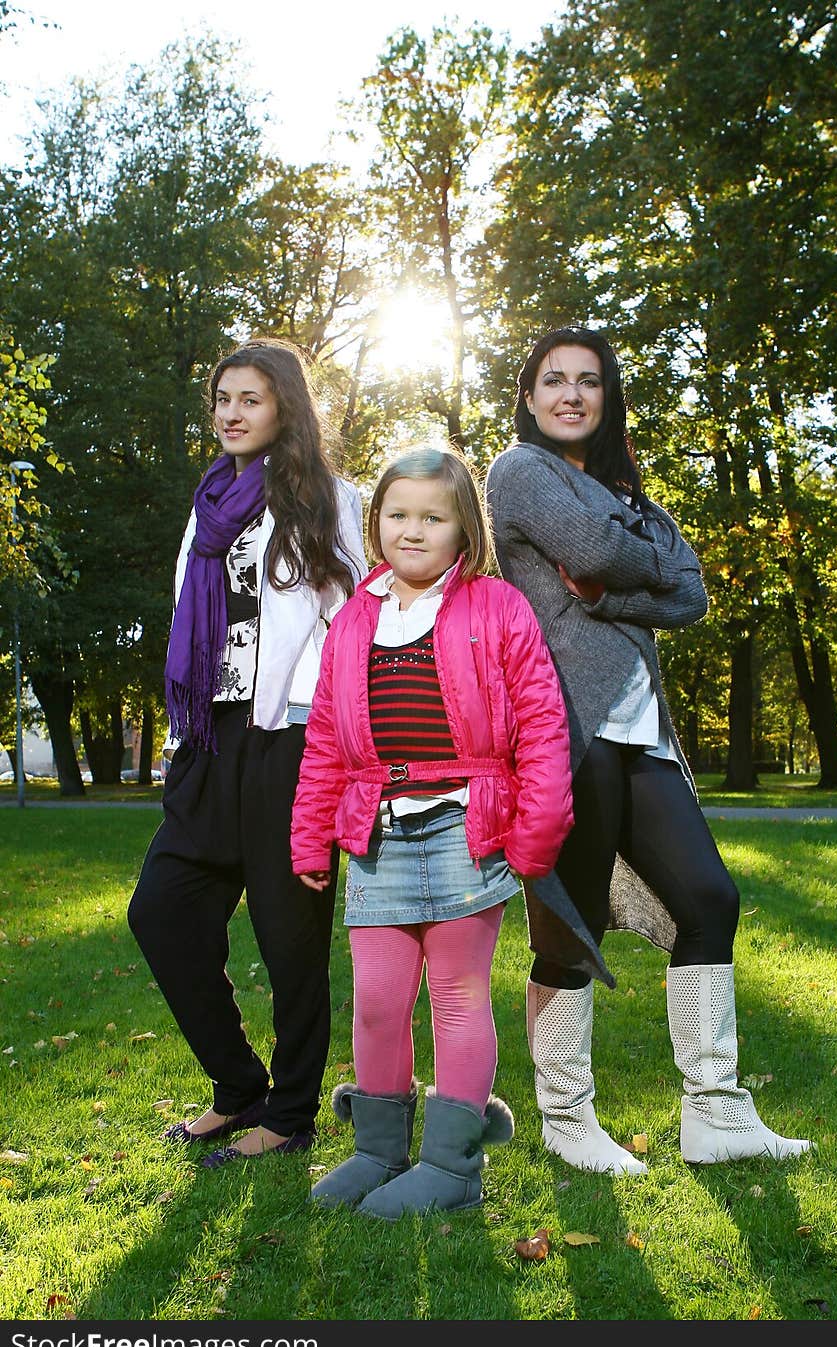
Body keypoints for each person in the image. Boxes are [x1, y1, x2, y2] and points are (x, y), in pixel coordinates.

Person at [486, 325, 811, 1174]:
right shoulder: (520, 472)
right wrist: (635, 567)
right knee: (572, 920)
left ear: (606, 396)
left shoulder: (629, 491)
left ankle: (716, 1112)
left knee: (710, 897)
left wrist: (606, 588)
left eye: (587, 381)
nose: (570, 394)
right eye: (552, 380)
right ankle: (566, 1116)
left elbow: (690, 593)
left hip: (646, 736)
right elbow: (596, 551)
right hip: (571, 728)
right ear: (529, 397)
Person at [290, 444, 575, 1219]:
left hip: (467, 827)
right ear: (376, 521)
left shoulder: (497, 607)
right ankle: (379, 1151)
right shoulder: (353, 619)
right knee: (378, 1000)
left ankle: (452, 1167)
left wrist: (537, 831)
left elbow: (543, 724)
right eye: (397, 514)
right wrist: (311, 837)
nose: (412, 531)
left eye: (433, 517)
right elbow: (325, 739)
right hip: (375, 833)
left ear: (464, 531)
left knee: (455, 995)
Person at [128, 337, 366, 1168]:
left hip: (288, 745)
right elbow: (188, 626)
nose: (231, 413)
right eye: (222, 399)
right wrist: (177, 738)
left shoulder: (328, 498)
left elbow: (352, 629)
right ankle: (238, 1088)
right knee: (160, 911)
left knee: (289, 939)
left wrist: (314, 732)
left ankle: (292, 1111)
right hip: (208, 741)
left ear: (285, 408)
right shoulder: (208, 502)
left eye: (249, 399)